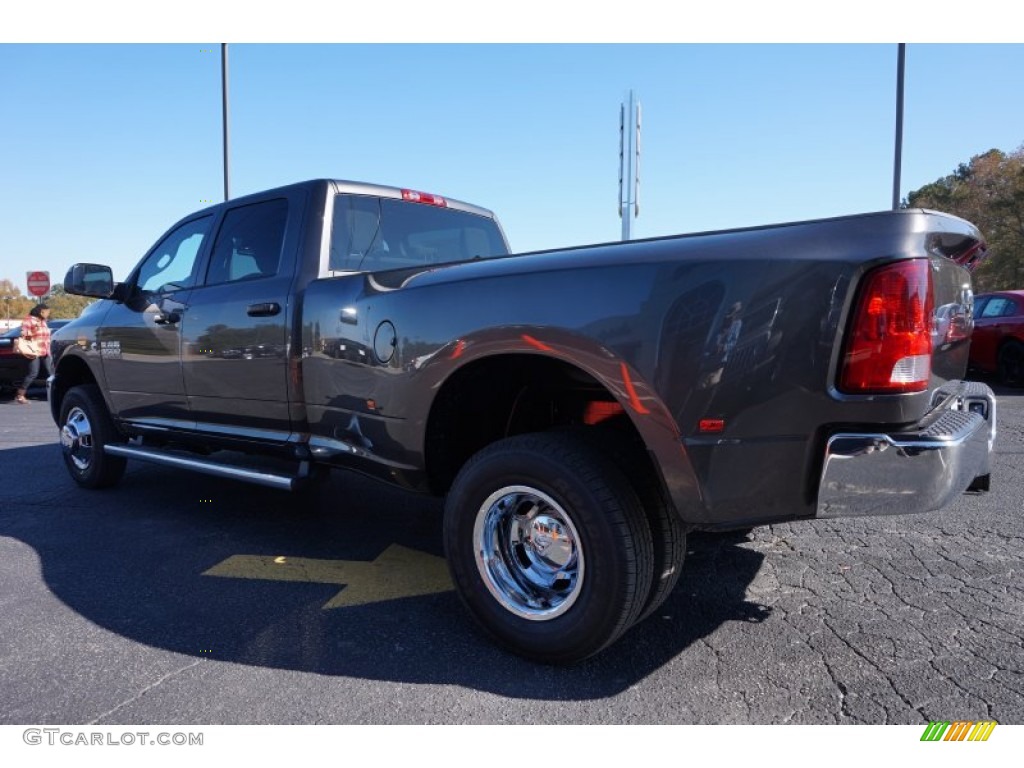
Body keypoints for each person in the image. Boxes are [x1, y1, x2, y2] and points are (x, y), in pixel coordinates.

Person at [15, 303, 53, 405]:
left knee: (51, 373)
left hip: (45, 351)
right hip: (33, 350)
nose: (48, 314)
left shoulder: (43, 322)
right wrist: (31, 332)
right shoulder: (29, 320)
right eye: (47, 312)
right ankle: (20, 395)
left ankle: (55, 394)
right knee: (33, 373)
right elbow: (23, 334)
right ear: (41, 311)